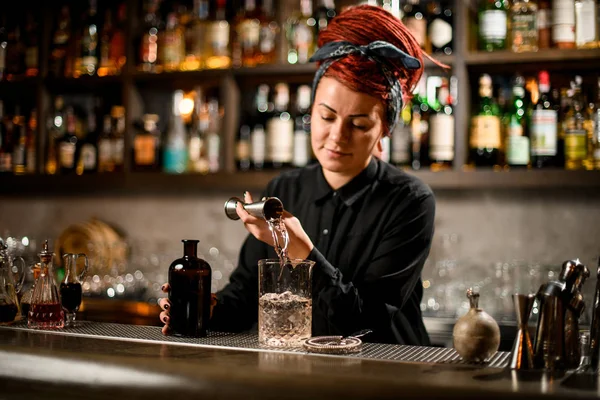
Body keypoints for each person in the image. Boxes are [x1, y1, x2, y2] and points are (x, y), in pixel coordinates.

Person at [159, 4, 439, 345]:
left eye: (359, 124)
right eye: (326, 116)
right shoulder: (284, 189)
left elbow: (366, 322)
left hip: (387, 372)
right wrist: (199, 308)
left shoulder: (409, 200)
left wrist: (302, 251)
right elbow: (244, 298)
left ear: (385, 130)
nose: (337, 136)